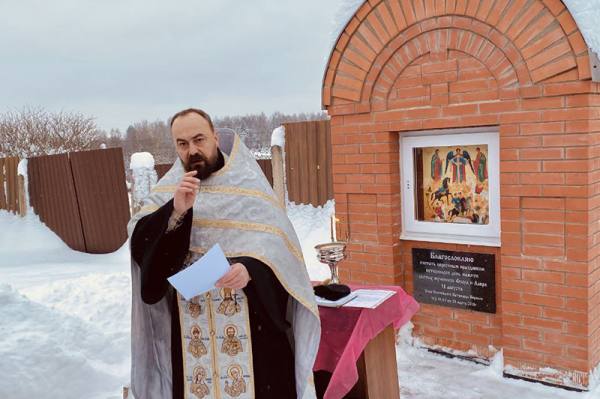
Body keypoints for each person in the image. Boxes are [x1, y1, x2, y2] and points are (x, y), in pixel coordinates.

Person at [127, 108, 320, 399]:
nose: (192, 150)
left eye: (199, 139)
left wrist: (251, 269)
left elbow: (280, 252)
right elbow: (145, 255)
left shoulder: (248, 186)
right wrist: (175, 211)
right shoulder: (169, 190)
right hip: (192, 336)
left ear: (215, 138)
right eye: (182, 143)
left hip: (253, 330)